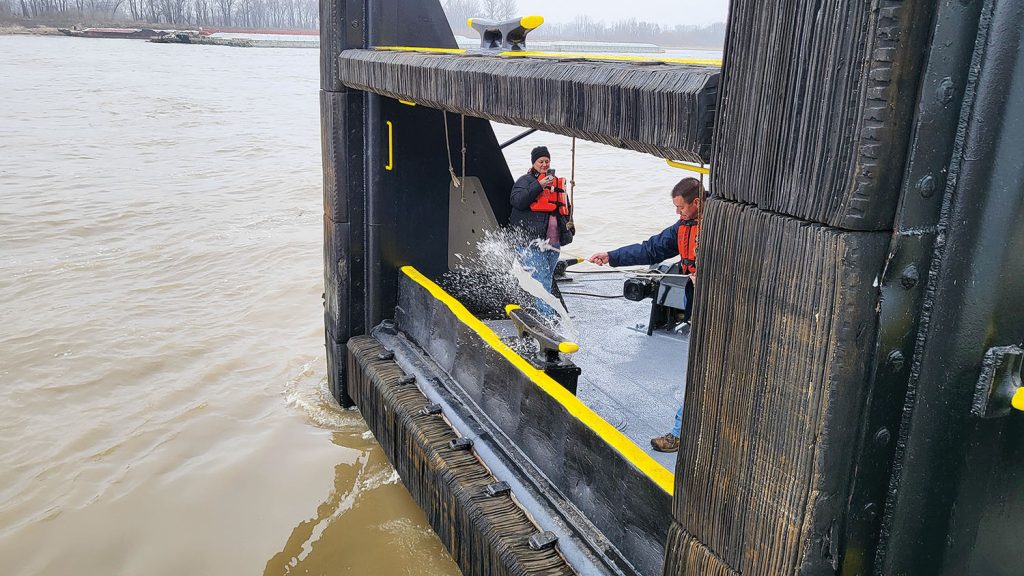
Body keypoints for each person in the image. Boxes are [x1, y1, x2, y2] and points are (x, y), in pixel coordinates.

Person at [587, 177, 704, 453]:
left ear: (697, 203)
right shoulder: (684, 226)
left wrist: (707, 275)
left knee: (697, 371)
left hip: (719, 308)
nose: (678, 213)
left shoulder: (722, 228)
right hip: (699, 308)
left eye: (681, 208)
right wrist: (612, 256)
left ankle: (679, 434)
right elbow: (651, 248)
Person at [509, 146, 574, 316]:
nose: (544, 164)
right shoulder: (525, 181)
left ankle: (544, 312)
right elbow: (516, 201)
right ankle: (549, 319)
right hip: (531, 244)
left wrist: (569, 230)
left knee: (546, 279)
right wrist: (538, 185)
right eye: (541, 161)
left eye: (547, 161)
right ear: (534, 163)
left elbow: (565, 209)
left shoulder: (557, 183)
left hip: (553, 244)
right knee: (543, 281)